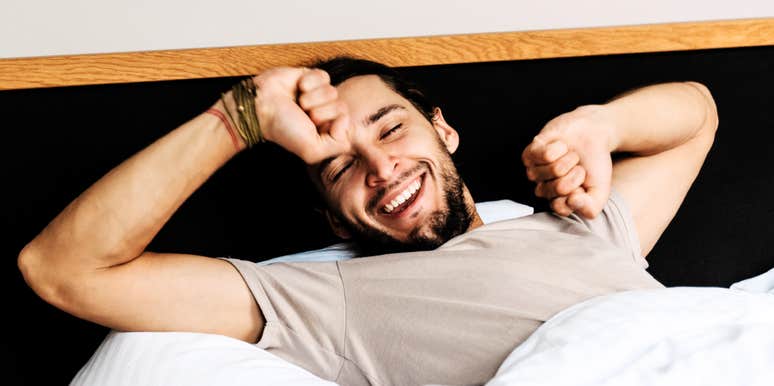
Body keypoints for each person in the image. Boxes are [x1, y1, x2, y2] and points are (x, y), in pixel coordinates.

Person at [17, 57, 718, 385]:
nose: (380, 168)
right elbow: (62, 269)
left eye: (392, 129)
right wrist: (239, 120)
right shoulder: (328, 302)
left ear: (444, 130)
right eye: (340, 167)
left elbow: (698, 116)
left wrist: (601, 125)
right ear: (335, 219)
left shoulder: (583, 222)